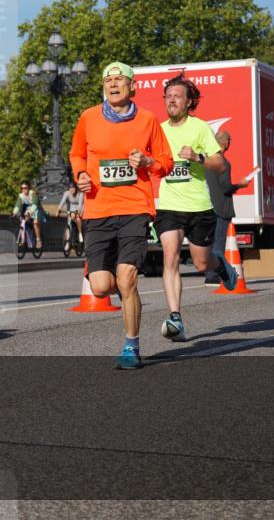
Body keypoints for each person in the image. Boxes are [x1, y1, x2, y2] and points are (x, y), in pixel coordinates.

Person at [70, 61, 173, 370]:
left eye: (119, 80)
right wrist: (79, 175)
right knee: (101, 286)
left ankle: (131, 345)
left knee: (127, 280)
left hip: (134, 208)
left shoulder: (148, 120)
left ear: (133, 86)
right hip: (98, 209)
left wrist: (147, 161)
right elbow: (76, 153)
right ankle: (125, 289)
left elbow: (166, 163)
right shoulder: (88, 118)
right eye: (108, 80)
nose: (113, 84)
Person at [155, 75, 238, 342]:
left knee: (203, 262)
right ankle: (175, 317)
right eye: (168, 96)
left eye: (177, 96)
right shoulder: (157, 129)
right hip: (169, 204)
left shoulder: (200, 128)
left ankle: (221, 265)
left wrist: (197, 157)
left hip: (199, 207)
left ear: (189, 102)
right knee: (170, 258)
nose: (172, 100)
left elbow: (220, 164)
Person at [203, 130, 252, 286]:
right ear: (225, 143)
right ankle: (213, 275)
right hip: (221, 208)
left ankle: (209, 273)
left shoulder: (206, 161)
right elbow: (225, 188)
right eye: (229, 141)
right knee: (219, 243)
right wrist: (241, 185)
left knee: (209, 243)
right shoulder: (223, 162)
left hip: (207, 207)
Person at [12, 182, 46, 249]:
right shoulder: (21, 196)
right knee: (22, 221)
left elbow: (34, 204)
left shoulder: (33, 193)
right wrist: (14, 213)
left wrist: (30, 212)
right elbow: (18, 205)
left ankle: (38, 240)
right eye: (22, 188)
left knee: (35, 223)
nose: (23, 190)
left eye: (25, 188)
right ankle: (23, 239)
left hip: (36, 209)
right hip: (28, 209)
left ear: (29, 188)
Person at [58, 183, 85, 248]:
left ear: (76, 189)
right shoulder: (67, 193)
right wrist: (59, 209)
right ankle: (68, 242)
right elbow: (62, 202)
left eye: (73, 188)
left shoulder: (80, 194)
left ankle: (80, 233)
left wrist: (78, 212)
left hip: (80, 208)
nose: (72, 190)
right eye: (70, 188)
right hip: (71, 209)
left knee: (78, 219)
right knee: (69, 224)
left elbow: (80, 204)